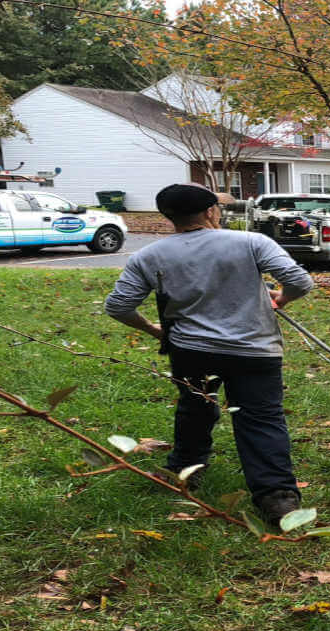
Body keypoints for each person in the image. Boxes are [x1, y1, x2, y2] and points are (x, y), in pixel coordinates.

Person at [104, 183, 315, 528]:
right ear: (210, 212)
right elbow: (299, 281)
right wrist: (282, 299)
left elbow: (119, 306)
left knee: (195, 409)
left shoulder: (150, 256)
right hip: (255, 351)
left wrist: (154, 330)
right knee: (261, 419)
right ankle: (277, 499)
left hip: (191, 352)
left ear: (169, 217)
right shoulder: (250, 242)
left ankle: (185, 471)